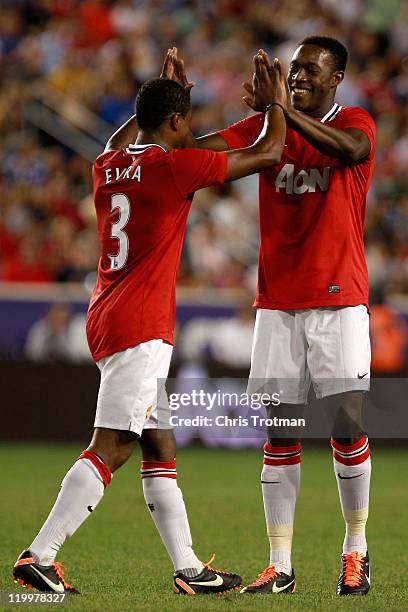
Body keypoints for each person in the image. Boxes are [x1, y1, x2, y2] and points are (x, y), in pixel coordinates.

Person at [13, 50, 287, 595]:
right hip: (139, 325)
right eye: (185, 121)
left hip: (107, 313)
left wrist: (160, 100)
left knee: (158, 444)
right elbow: (270, 151)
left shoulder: (106, 165)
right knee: (113, 445)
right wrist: (277, 103)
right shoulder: (172, 168)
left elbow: (126, 143)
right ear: (178, 122)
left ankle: (189, 569)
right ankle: (39, 555)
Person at [168, 37, 375, 596]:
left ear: (336, 80)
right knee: (280, 434)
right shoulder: (267, 129)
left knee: (346, 425)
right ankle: (279, 565)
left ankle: (355, 549)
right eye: (294, 70)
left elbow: (351, 151)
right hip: (278, 304)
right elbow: (196, 152)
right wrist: (175, 109)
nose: (299, 77)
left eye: (311, 70)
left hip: (338, 300)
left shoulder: (354, 121)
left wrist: (278, 109)